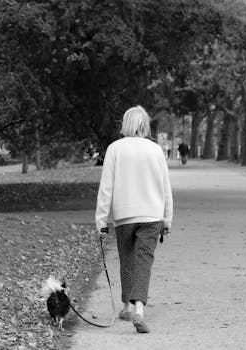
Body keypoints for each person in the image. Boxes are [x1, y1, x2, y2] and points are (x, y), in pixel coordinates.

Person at [95, 106, 173, 333]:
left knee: (127, 260)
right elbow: (165, 187)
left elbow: (106, 188)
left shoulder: (115, 149)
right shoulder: (156, 150)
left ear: (126, 124)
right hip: (152, 214)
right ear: (145, 125)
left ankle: (126, 307)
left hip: (124, 215)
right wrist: (167, 219)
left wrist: (101, 221)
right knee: (143, 261)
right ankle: (139, 308)